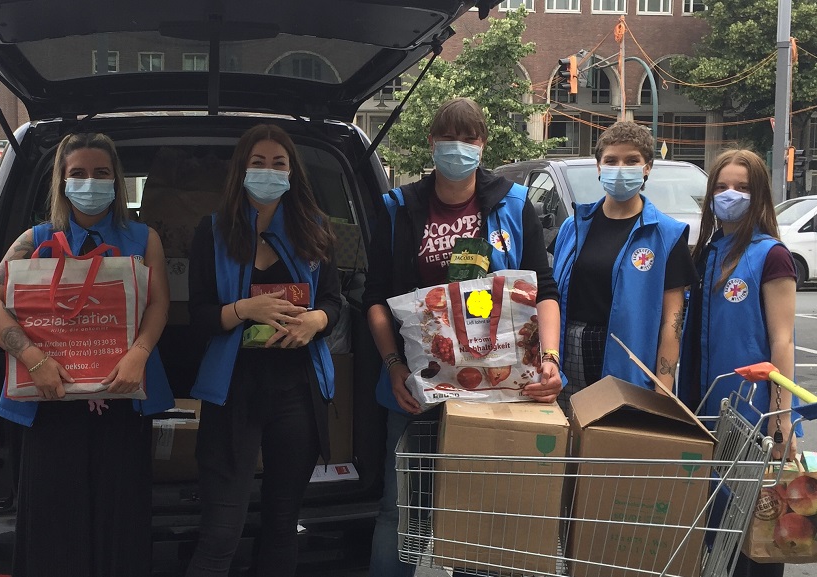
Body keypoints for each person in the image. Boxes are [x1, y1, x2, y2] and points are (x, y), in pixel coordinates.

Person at [363, 97, 563, 577]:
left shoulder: (514, 204)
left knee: (486, 510)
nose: (459, 148)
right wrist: (392, 367)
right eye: (448, 138)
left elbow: (546, 290)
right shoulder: (398, 208)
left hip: (498, 389)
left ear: (483, 144)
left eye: (469, 138)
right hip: (420, 386)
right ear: (432, 144)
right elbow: (375, 298)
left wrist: (550, 359)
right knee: (401, 510)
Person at [0, 132, 174, 577]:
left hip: (123, 400)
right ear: (61, 182)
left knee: (120, 521)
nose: (90, 181)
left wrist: (139, 352)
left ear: (117, 181)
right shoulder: (36, 238)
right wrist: (35, 361)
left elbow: (160, 303)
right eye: (77, 173)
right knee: (52, 526)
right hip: (50, 402)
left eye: (101, 173)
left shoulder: (144, 238)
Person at [185, 124, 341, 577]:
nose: (268, 172)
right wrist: (242, 309)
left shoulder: (315, 231)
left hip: (296, 392)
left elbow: (335, 302)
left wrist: (316, 321)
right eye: (258, 163)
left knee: (281, 524)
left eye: (279, 164)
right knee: (220, 530)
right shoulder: (211, 232)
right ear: (241, 170)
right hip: (233, 391)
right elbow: (197, 316)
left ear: (293, 173)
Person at [678, 149, 798, 577]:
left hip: (754, 413)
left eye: (743, 188)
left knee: (755, 539)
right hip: (709, 412)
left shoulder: (771, 255)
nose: (731, 195)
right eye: (723, 187)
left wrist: (781, 419)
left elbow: (782, 340)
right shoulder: (707, 253)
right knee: (718, 533)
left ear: (760, 195)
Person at [552, 120, 697, 411]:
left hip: (627, 365)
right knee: (568, 446)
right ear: (598, 167)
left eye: (632, 160)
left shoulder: (666, 236)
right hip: (569, 359)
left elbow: (673, 324)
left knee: (614, 448)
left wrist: (663, 390)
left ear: (647, 168)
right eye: (611, 160)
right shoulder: (573, 227)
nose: (620, 168)